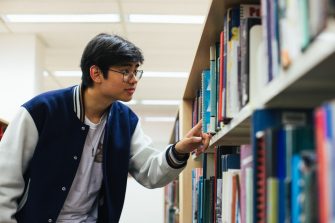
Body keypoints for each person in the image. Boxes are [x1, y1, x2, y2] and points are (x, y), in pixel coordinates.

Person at [0, 33, 211, 223]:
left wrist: (179, 150)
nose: (134, 79)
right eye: (125, 71)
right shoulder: (41, 111)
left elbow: (149, 172)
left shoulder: (125, 121)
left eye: (136, 71)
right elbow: (5, 180)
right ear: (96, 73)